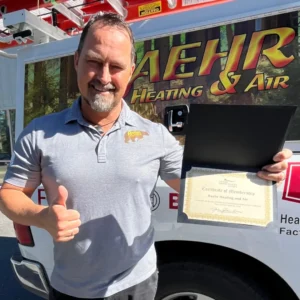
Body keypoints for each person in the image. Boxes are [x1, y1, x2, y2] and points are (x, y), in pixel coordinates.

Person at [0, 12, 292, 300]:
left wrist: (258, 169)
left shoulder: (155, 136)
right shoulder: (40, 132)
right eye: (93, 61)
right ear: (77, 61)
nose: (104, 77)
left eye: (116, 66)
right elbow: (9, 195)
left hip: (138, 286)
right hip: (70, 289)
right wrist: (42, 217)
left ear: (131, 72)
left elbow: (196, 186)